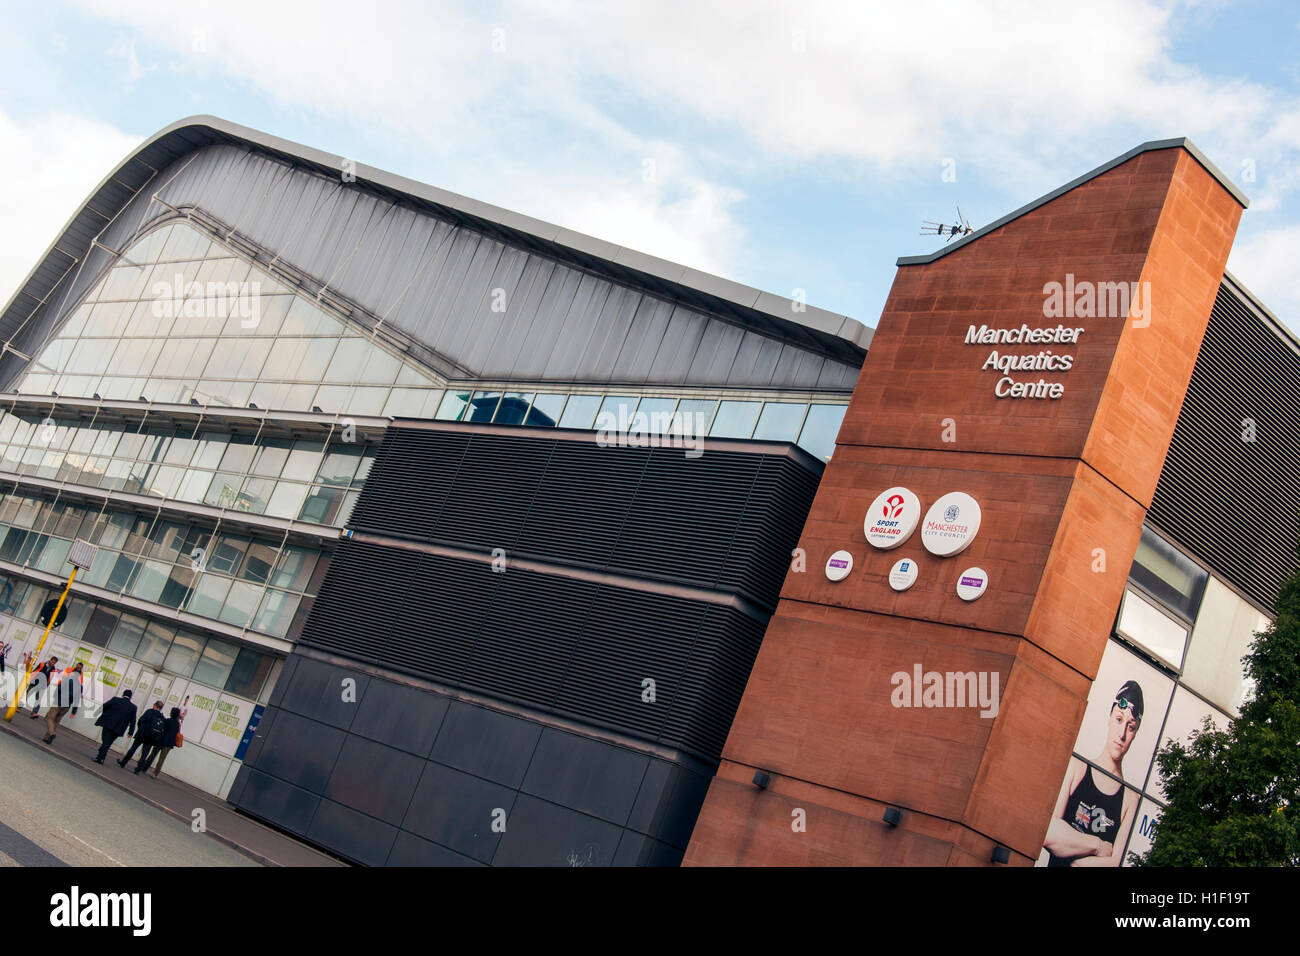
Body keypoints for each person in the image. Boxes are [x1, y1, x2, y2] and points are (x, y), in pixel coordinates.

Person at [1043, 680, 1143, 866]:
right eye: (1119, 719)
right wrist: (1097, 846)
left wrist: (1074, 859)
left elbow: (1114, 863)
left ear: (1135, 733)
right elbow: (1049, 834)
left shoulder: (1129, 799)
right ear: (1109, 719)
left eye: (1130, 727)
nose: (1122, 734)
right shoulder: (1077, 768)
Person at [118, 700, 166, 775]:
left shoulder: (149, 711)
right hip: (151, 738)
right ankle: (138, 769)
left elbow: (140, 721)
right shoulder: (162, 717)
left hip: (142, 734)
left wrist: (140, 729)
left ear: (155, 705)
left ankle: (123, 762)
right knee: (144, 754)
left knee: (133, 748)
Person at [42, 662, 83, 744]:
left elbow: (58, 689)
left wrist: (55, 698)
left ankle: (52, 733)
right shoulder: (80, 686)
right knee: (56, 721)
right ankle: (47, 737)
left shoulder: (66, 679)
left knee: (49, 718)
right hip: (66, 706)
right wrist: (73, 711)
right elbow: (77, 699)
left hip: (58, 702)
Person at [92, 689, 137, 764]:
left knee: (105, 742)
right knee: (108, 743)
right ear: (130, 697)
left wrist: (96, 713)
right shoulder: (133, 707)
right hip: (119, 729)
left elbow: (104, 706)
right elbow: (133, 720)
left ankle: (100, 758)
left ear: (123, 694)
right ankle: (101, 753)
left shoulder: (115, 700)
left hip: (108, 724)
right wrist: (131, 732)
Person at [150, 707, 183, 778]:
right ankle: (155, 773)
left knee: (153, 754)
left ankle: (145, 767)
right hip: (169, 743)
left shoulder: (167, 720)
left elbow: (162, 728)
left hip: (161, 740)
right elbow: (177, 732)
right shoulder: (177, 724)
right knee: (162, 759)